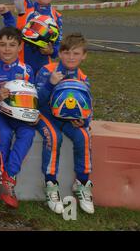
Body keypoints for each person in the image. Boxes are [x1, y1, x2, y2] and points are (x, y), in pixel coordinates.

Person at [36, 33, 94, 215]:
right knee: (54, 137)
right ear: (59, 53)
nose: (71, 57)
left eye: (76, 54)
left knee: (84, 136)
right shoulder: (47, 70)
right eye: (67, 53)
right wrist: (50, 84)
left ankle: (82, 183)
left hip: (69, 121)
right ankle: (51, 184)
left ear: (84, 56)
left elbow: (87, 107)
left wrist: (83, 121)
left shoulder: (83, 78)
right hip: (46, 116)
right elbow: (36, 101)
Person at [0, 27, 36, 209]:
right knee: (3, 134)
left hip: (19, 114)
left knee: (27, 133)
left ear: (20, 47)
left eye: (12, 45)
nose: (7, 49)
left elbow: (34, 97)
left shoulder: (27, 70)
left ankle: (7, 177)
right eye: (2, 45)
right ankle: (4, 177)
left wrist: (35, 115)